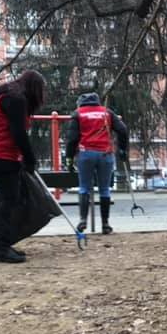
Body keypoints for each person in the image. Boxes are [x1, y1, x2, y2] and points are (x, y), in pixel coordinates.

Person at [0, 70, 46, 263]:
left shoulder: (5, 96)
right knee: (9, 201)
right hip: (1, 156)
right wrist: (30, 159)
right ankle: (0, 247)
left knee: (6, 200)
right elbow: (18, 133)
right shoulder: (16, 100)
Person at [65, 92, 129, 235]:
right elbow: (122, 130)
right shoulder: (107, 113)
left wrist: (69, 158)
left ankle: (83, 220)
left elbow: (72, 138)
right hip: (105, 154)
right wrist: (123, 149)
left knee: (84, 188)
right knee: (104, 189)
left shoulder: (78, 114)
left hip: (86, 154)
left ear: (81, 102)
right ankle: (105, 224)